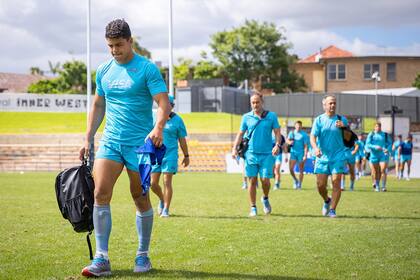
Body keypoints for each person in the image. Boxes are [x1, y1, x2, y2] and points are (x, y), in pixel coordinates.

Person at [78, 19, 171, 277]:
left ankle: (143, 255)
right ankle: (102, 258)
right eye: (110, 45)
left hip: (140, 146)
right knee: (100, 194)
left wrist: (159, 127)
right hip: (110, 141)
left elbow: (163, 103)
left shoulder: (147, 69)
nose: (115, 50)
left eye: (119, 45)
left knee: (140, 197)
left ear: (130, 41)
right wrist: (88, 137)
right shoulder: (104, 70)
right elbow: (98, 105)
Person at [232, 92, 281, 217]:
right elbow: (240, 134)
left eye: (257, 102)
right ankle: (253, 207)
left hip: (267, 154)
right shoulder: (246, 117)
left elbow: (277, 132)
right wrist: (234, 148)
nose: (255, 105)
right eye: (253, 102)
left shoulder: (271, 116)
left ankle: (265, 198)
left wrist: (277, 145)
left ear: (262, 102)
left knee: (265, 180)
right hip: (251, 154)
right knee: (252, 180)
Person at [150, 95, 189, 217]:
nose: (167, 107)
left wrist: (186, 155)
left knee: (167, 181)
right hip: (156, 154)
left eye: (170, 106)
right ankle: (162, 199)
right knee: (153, 183)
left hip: (170, 154)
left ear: (172, 106)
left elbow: (182, 140)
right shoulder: (153, 117)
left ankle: (166, 209)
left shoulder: (178, 120)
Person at [310, 95, 348, 218]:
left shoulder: (342, 120)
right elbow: (312, 137)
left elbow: (349, 139)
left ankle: (332, 210)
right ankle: (327, 200)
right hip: (322, 157)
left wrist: (344, 128)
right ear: (324, 105)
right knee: (320, 185)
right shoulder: (319, 120)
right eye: (330, 103)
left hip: (338, 157)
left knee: (336, 182)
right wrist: (315, 148)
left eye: (334, 103)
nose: (332, 105)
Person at [365, 122, 392, 192]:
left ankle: (383, 186)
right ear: (374, 127)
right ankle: (377, 185)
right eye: (377, 126)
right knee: (376, 171)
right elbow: (367, 144)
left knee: (382, 170)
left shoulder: (385, 134)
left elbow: (390, 143)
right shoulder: (371, 134)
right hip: (374, 155)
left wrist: (387, 149)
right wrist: (375, 146)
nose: (378, 128)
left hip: (383, 154)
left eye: (379, 126)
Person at [286, 121, 309, 189]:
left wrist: (305, 155)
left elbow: (305, 146)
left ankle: (299, 184)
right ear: (295, 126)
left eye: (300, 126)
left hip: (301, 154)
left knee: (301, 169)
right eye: (297, 126)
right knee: (290, 169)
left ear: (301, 126)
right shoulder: (292, 133)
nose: (298, 127)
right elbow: (287, 140)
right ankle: (295, 180)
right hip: (293, 153)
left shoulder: (304, 135)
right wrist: (289, 142)